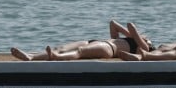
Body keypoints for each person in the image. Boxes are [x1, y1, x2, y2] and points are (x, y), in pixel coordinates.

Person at [11, 20, 152, 61]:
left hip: (108, 48)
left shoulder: (144, 47)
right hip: (96, 41)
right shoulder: (130, 40)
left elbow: (131, 26)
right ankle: (31, 56)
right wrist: (131, 36)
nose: (147, 39)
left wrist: (137, 36)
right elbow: (113, 24)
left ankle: (56, 57)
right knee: (60, 47)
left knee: (79, 51)